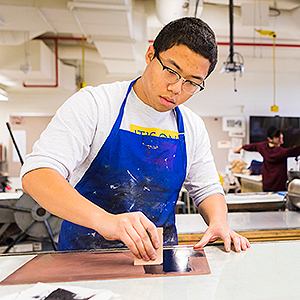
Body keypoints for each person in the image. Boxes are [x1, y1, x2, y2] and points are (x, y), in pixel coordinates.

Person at [21, 17, 250, 261]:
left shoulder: (191, 126)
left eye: (192, 83)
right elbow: (37, 174)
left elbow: (207, 188)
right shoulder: (96, 104)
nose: (177, 89)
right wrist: (105, 221)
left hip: (159, 261)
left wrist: (218, 222)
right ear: (151, 54)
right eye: (172, 72)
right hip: (84, 259)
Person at [234, 126, 300, 192]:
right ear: (270, 139)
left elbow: (253, 146)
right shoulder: (281, 152)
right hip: (279, 188)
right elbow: (295, 151)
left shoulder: (263, 147)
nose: (280, 139)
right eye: (278, 137)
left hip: (266, 186)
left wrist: (241, 147)